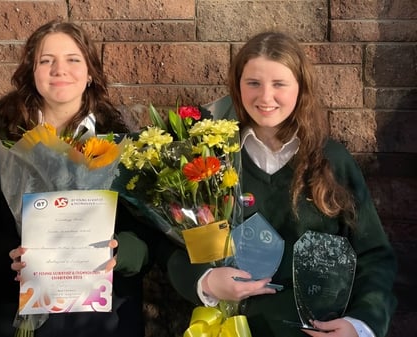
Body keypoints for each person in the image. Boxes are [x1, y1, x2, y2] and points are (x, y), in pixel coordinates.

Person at [156, 31, 397, 337]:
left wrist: (360, 324)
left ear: (301, 88)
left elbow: (375, 256)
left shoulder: (332, 161)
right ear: (237, 85)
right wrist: (204, 281)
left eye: (279, 84)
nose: (265, 97)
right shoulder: (211, 161)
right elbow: (174, 244)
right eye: (253, 83)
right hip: (230, 330)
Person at [0, 20, 151, 337]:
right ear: (31, 73)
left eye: (72, 59)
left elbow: (149, 233)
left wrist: (122, 252)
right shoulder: (3, 146)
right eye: (46, 60)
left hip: (106, 315)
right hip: (20, 311)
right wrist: (9, 254)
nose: (59, 70)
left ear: (90, 72)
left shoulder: (123, 145)